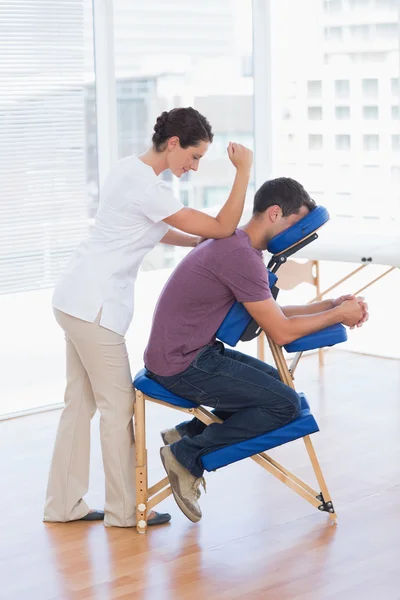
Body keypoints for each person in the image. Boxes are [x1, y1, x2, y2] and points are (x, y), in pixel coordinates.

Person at [44, 107, 253, 528]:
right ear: (173, 143)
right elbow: (220, 226)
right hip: (95, 307)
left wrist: (199, 240)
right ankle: (124, 511)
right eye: (193, 157)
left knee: (80, 404)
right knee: (117, 409)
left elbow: (158, 229)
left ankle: (63, 505)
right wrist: (243, 171)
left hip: (74, 297)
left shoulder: (129, 171)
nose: (193, 168)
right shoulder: (150, 189)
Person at [144, 177, 369, 523]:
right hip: (182, 364)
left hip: (187, 352)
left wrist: (330, 305)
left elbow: (270, 313)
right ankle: (186, 453)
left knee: (277, 382)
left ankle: (188, 432)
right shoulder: (241, 257)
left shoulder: (238, 246)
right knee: (283, 404)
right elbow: (279, 331)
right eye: (297, 224)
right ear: (276, 214)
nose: (299, 235)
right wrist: (339, 315)